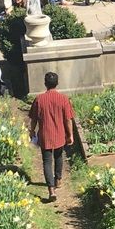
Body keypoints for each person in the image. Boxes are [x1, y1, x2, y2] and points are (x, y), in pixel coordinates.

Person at [28, 72, 75, 203]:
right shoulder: (63, 99)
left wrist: (32, 131)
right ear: (57, 83)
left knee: (47, 161)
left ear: (45, 83)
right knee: (59, 156)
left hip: (45, 135)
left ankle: (51, 189)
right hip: (59, 134)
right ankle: (58, 180)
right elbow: (68, 119)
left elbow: (33, 119)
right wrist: (70, 134)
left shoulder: (39, 99)